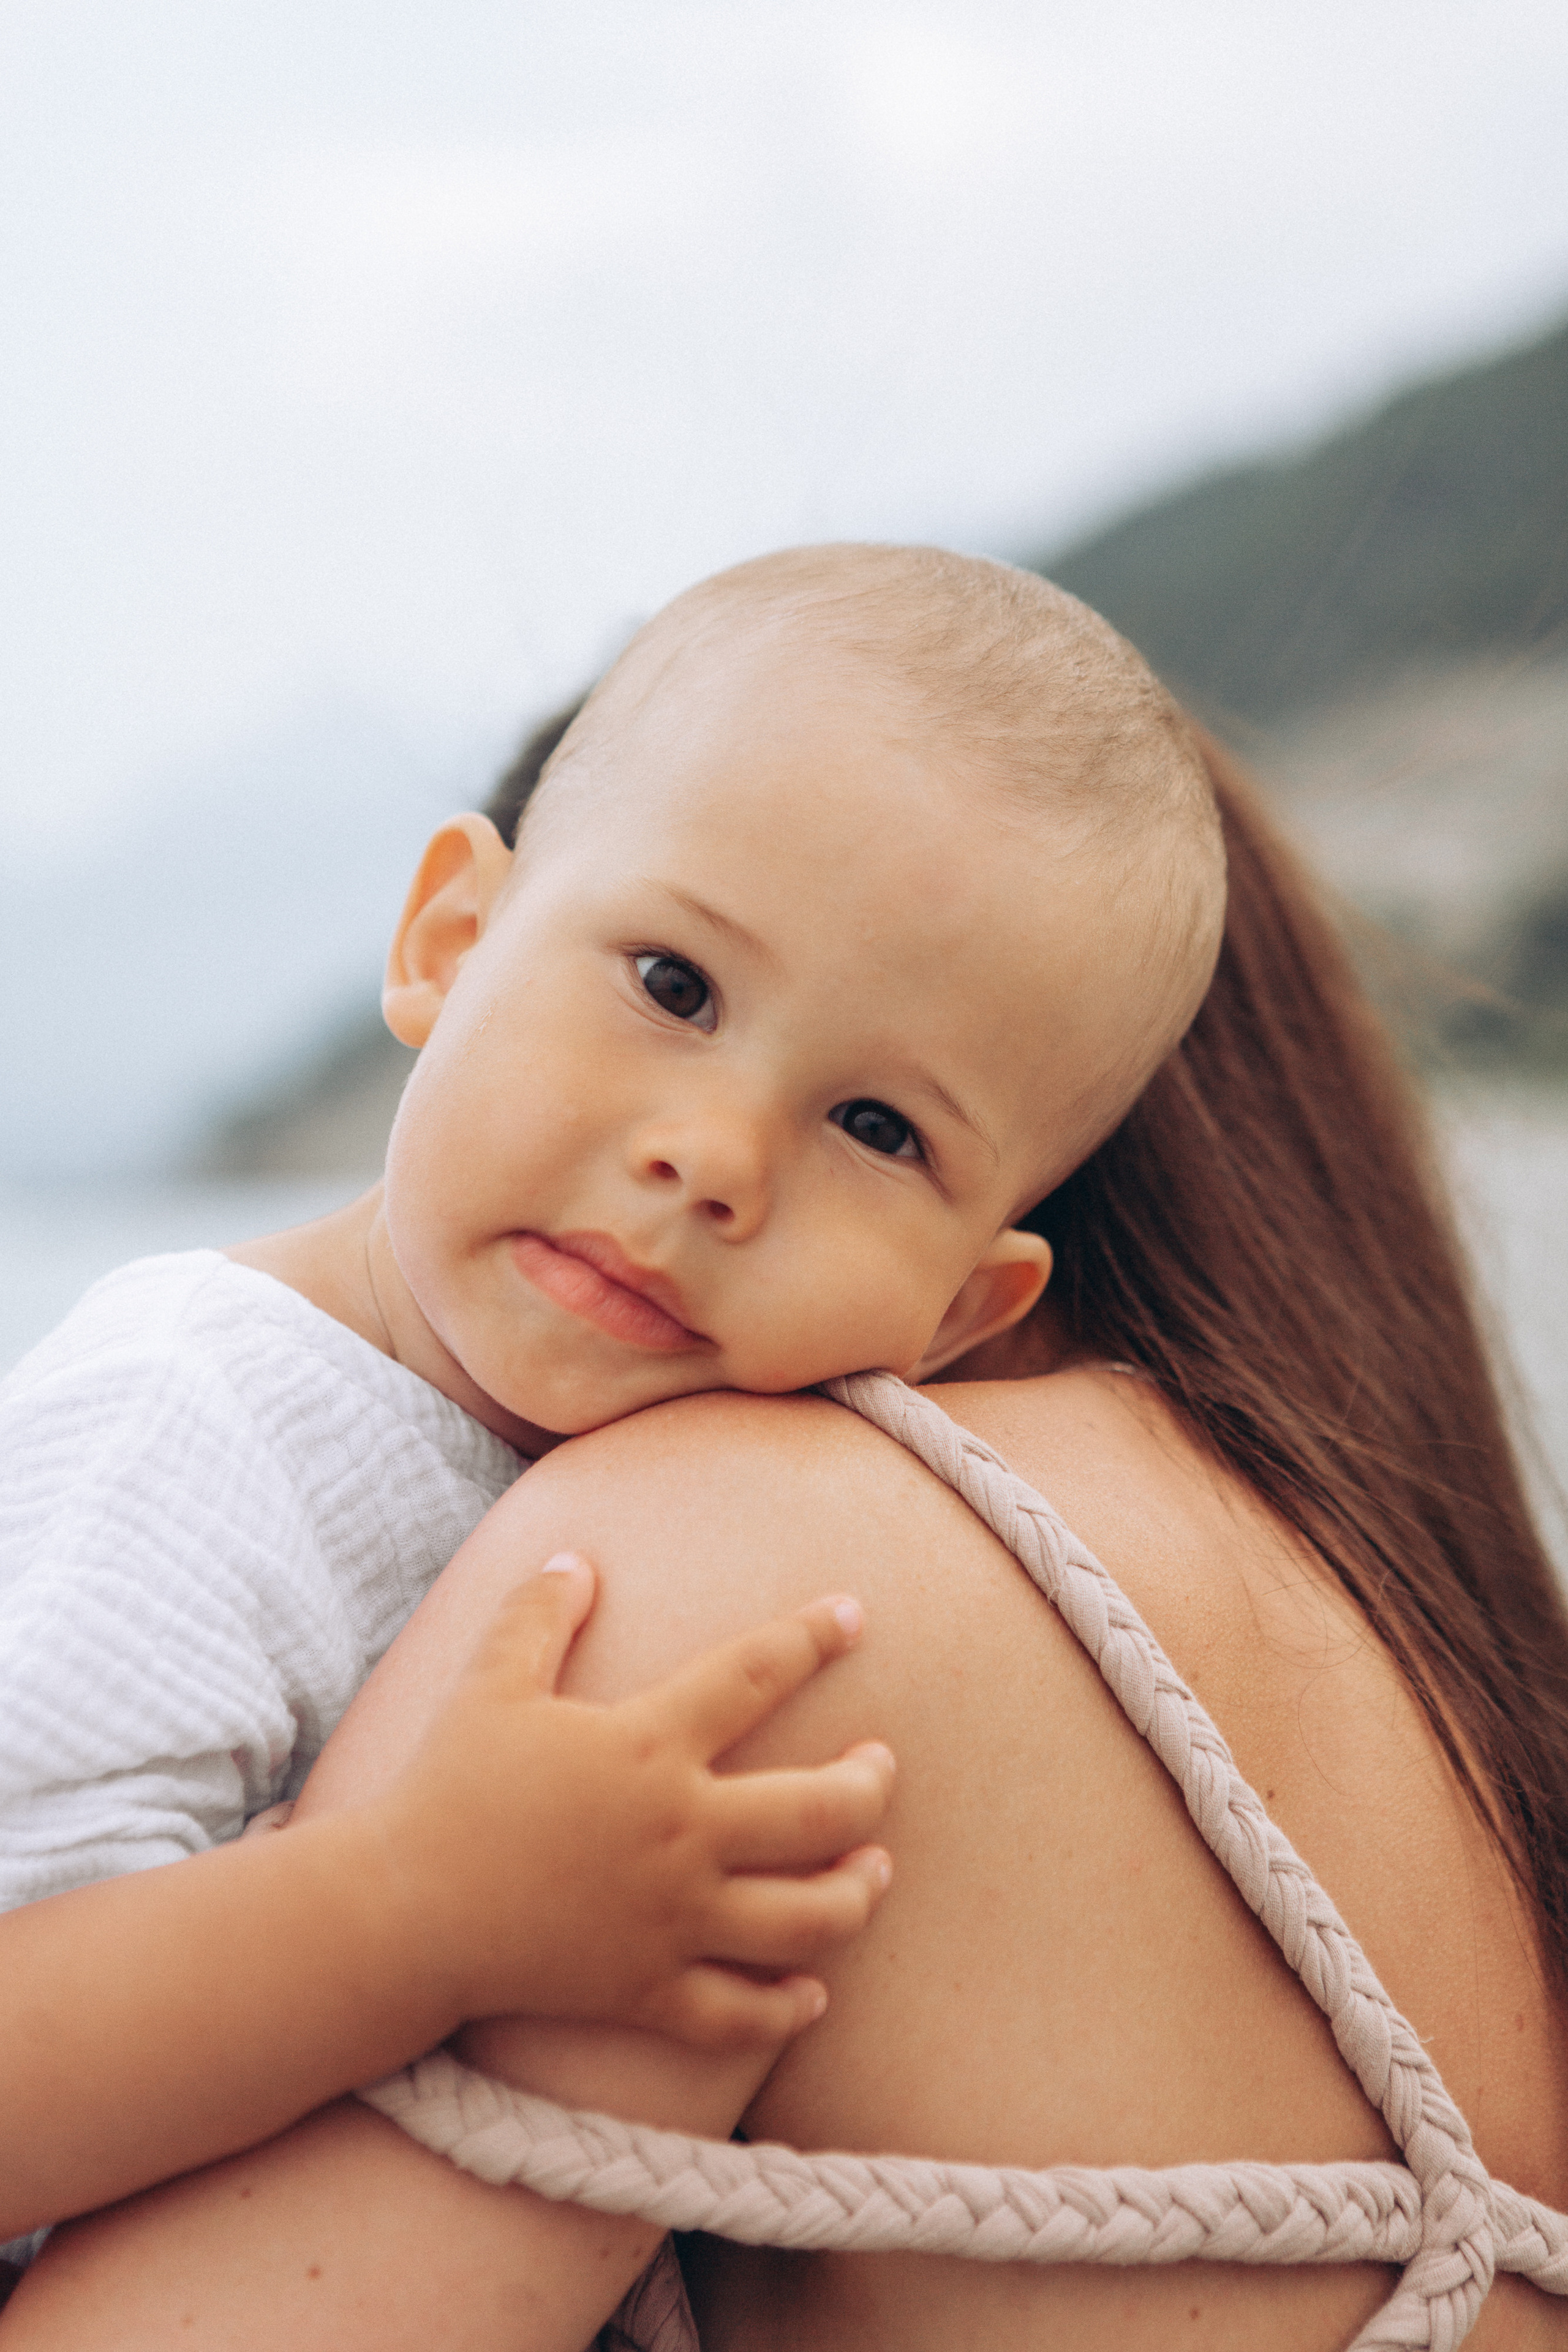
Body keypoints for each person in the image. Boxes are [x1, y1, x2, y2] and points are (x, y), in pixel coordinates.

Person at [12, 548, 1568, 2351]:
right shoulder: (190, 1416)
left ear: (960, 1313)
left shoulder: (700, 1496)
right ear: (447, 941)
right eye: (673, 984)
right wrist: (405, 1911)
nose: (718, 1159)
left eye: (879, 1128)